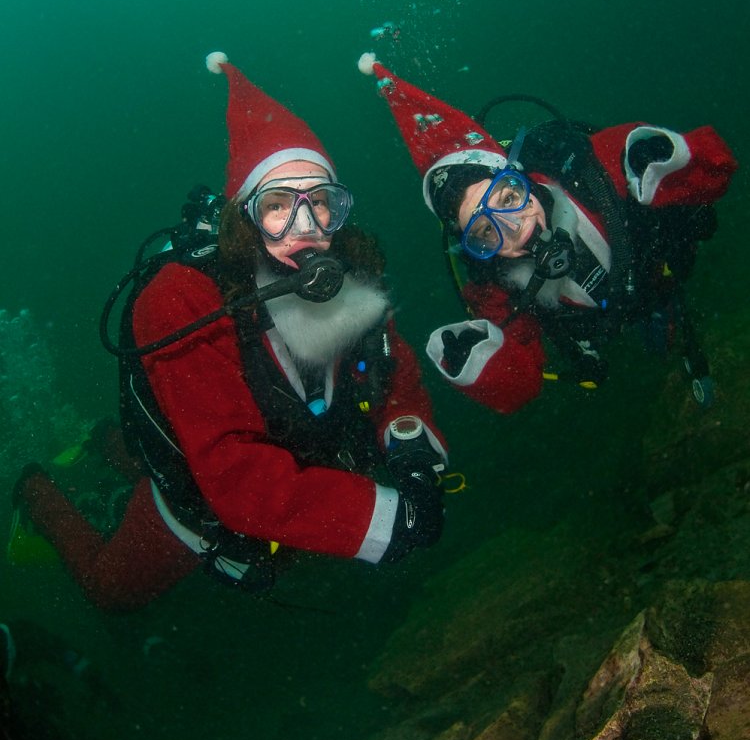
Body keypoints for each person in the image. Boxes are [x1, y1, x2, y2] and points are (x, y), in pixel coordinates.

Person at [13, 52, 447, 610]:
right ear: (244, 217)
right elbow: (233, 474)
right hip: (203, 495)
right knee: (111, 590)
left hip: (296, 470)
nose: (306, 227)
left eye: (320, 203)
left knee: (159, 457)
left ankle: (105, 443)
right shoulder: (180, 300)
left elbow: (395, 374)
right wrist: (385, 520)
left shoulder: (349, 274)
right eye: (278, 206)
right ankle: (33, 489)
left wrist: (411, 446)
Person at [357, 52, 738, 414]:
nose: (515, 227)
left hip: (659, 275)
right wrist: (478, 364)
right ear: (474, 246)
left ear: (523, 178)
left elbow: (717, 167)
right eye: (486, 230)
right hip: (611, 320)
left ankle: (663, 316)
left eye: (508, 197)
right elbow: (519, 380)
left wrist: (668, 160)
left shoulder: (595, 171)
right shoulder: (494, 285)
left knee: (667, 299)